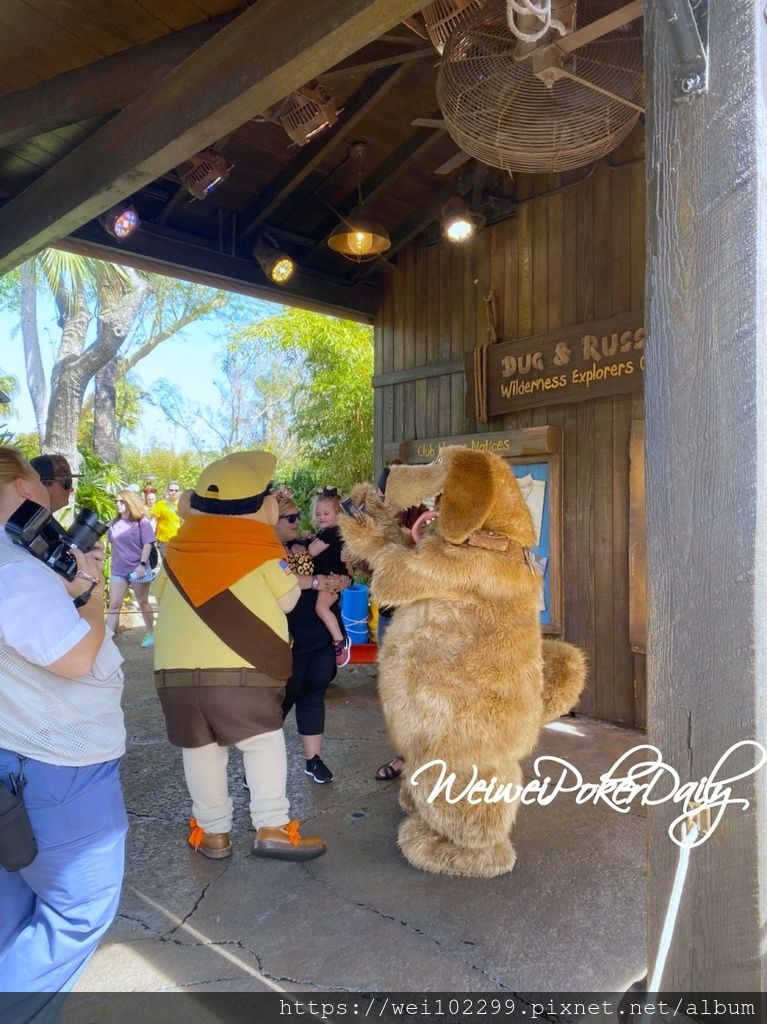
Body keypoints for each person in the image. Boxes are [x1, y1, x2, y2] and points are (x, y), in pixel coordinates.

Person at [0, 446, 127, 1002]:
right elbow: (74, 659)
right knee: (78, 912)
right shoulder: (12, 568)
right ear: (27, 489)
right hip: (58, 766)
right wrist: (91, 597)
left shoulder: (17, 556)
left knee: (15, 904)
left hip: (20, 753)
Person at [153, 452, 326, 861]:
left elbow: (161, 594)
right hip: (243, 672)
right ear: (263, 507)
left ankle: (213, 834)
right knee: (262, 742)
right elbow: (288, 599)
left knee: (200, 750)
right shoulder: (263, 552)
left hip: (175, 675)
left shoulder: (176, 551)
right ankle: (272, 827)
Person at [275, 488, 350, 784]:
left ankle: (313, 760)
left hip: (317, 635)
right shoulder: (266, 551)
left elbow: (341, 570)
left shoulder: (305, 543)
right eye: (289, 517)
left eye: (297, 516)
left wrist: (341, 578)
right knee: (279, 703)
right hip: (287, 638)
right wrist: (317, 581)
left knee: (313, 696)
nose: (297, 521)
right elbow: (281, 583)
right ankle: (257, 768)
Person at [371, 463, 427, 782]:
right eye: (381, 494)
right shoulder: (377, 521)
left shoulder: (425, 522)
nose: (385, 501)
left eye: (391, 495)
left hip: (420, 619)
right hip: (390, 616)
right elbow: (369, 565)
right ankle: (405, 756)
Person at [306, 487, 352, 667]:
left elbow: (312, 550)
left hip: (332, 578)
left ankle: (340, 640)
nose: (321, 517)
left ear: (338, 514)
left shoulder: (333, 532)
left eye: (326, 513)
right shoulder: (327, 533)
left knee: (321, 607)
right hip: (332, 577)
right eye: (318, 514)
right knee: (326, 609)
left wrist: (307, 543)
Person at [106, 489, 156, 649]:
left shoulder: (142, 522)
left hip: (137, 568)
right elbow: (113, 546)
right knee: (114, 604)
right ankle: (107, 640)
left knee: (143, 602)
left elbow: (148, 544)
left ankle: (150, 633)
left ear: (130, 503)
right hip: (118, 570)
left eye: (122, 502)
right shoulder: (114, 523)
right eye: (117, 501)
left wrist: (142, 565)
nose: (118, 505)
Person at [152, 481, 182, 557]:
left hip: (179, 540)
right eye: (171, 490)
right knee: (166, 564)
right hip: (164, 541)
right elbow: (153, 521)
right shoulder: (160, 504)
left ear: (180, 492)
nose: (173, 492)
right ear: (167, 491)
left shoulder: (184, 505)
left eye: (176, 490)